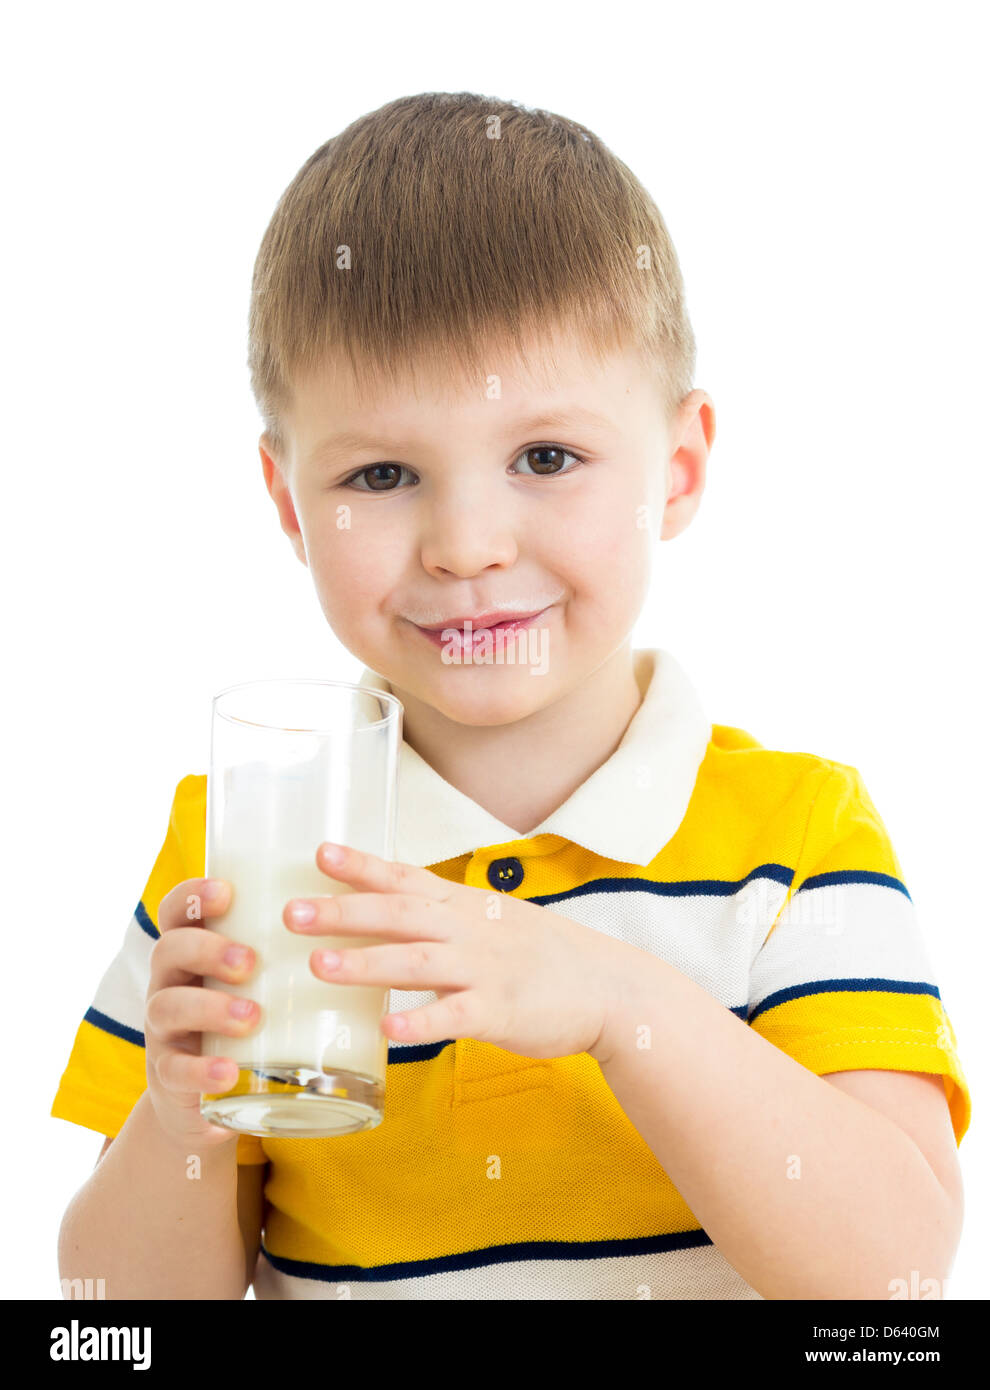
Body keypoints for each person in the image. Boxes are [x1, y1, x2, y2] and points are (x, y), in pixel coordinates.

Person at [52, 91, 970, 1301]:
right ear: (289, 506)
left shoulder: (795, 841)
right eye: (382, 473)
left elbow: (894, 1279)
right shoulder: (248, 844)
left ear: (679, 470)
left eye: (546, 458)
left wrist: (616, 1000)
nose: (467, 544)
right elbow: (116, 1323)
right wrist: (180, 1126)